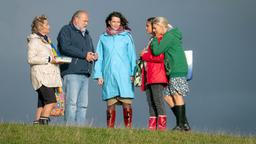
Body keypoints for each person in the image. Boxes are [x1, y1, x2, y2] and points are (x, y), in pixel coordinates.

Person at [93, 11, 136, 128]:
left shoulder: (127, 37)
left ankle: (128, 129)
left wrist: (133, 74)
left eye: (118, 22)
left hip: (124, 75)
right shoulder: (103, 38)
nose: (116, 24)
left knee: (126, 103)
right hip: (109, 75)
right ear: (109, 22)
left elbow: (132, 56)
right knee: (110, 103)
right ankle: (110, 130)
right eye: (114, 21)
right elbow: (99, 57)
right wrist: (99, 75)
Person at [150, 17, 191, 131]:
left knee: (177, 95)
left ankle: (180, 125)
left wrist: (154, 39)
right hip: (173, 70)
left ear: (162, 25)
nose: (154, 30)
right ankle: (184, 123)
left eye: (155, 28)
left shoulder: (169, 36)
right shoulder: (170, 35)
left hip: (176, 69)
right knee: (167, 96)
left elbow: (157, 51)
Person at [57, 10, 97, 126]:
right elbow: (65, 47)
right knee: (71, 103)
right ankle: (70, 127)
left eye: (87, 21)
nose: (86, 23)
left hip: (85, 73)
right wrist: (84, 55)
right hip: (72, 72)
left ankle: (80, 129)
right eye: (84, 20)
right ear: (76, 19)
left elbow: (91, 50)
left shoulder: (87, 34)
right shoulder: (66, 30)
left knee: (83, 104)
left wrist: (94, 55)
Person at [27, 15, 62, 125]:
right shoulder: (34, 41)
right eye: (47, 24)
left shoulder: (47, 41)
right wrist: (48, 59)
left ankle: (37, 124)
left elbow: (52, 57)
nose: (49, 26)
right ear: (40, 26)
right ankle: (43, 125)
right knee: (51, 101)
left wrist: (57, 59)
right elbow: (30, 59)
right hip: (41, 76)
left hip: (50, 77)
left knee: (42, 103)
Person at [140, 17, 168, 130]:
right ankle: (152, 128)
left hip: (157, 76)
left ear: (154, 27)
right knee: (150, 102)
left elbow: (160, 57)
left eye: (148, 26)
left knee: (158, 101)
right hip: (149, 76)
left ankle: (161, 128)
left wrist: (144, 55)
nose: (146, 28)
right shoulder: (151, 40)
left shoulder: (160, 39)